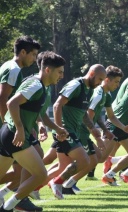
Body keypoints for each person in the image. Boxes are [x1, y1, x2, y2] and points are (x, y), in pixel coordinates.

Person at [0, 52, 68, 211]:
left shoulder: (39, 85)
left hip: (6, 133)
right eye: (60, 72)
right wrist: (20, 129)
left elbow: (39, 112)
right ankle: (9, 206)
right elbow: (12, 103)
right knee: (40, 174)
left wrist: (57, 128)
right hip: (13, 135)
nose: (62, 76)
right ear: (48, 70)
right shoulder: (36, 85)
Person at [64, 66, 128, 187]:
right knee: (89, 160)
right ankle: (63, 183)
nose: (117, 85)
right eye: (116, 82)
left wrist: (122, 128)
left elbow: (110, 116)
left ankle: (66, 183)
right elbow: (88, 115)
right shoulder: (97, 94)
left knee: (96, 159)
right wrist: (97, 137)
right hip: (80, 131)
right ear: (107, 80)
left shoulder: (106, 96)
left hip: (84, 131)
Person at [47, 64, 107, 199]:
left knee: (62, 166)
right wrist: (59, 129)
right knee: (85, 161)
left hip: (72, 131)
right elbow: (57, 105)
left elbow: (84, 113)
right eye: (99, 79)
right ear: (91, 74)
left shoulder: (89, 90)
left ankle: (32, 188)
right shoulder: (76, 85)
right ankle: (57, 182)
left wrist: (93, 128)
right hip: (65, 131)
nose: (100, 83)